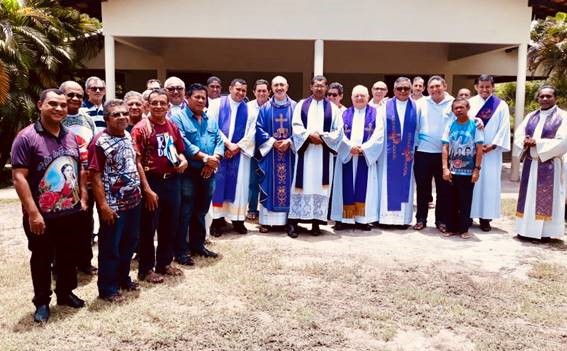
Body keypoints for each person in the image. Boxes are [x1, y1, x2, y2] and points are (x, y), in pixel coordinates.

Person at [11, 89, 88, 323]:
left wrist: (83, 197)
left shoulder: (70, 136)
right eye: (53, 104)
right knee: (42, 257)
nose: (59, 108)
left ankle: (65, 293)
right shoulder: (27, 137)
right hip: (42, 214)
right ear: (40, 105)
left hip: (70, 212)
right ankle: (42, 302)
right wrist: (33, 213)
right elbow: (19, 177)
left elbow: (80, 169)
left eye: (63, 105)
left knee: (68, 254)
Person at [131, 89, 188, 283]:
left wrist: (184, 161)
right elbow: (136, 161)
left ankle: (164, 263)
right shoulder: (141, 128)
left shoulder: (171, 126)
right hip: (151, 181)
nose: (158, 106)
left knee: (169, 224)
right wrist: (146, 189)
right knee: (148, 227)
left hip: (171, 181)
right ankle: (146, 269)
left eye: (162, 103)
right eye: (154, 103)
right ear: (147, 105)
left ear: (168, 106)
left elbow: (180, 150)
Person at [89, 99, 142, 302]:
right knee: (111, 247)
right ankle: (108, 288)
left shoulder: (128, 136)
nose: (122, 117)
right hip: (113, 206)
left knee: (129, 243)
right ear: (106, 119)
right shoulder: (99, 141)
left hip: (133, 202)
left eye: (124, 114)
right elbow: (95, 175)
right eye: (116, 115)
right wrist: (103, 205)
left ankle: (122, 278)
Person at [170, 83, 224, 263]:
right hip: (189, 172)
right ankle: (181, 250)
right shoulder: (178, 118)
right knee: (185, 211)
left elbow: (218, 139)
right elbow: (183, 142)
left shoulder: (211, 119)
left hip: (208, 172)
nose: (201, 100)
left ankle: (197, 245)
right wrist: (204, 159)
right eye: (197, 97)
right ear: (187, 98)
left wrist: (213, 160)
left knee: (201, 210)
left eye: (203, 97)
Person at [287, 75, 342, 237]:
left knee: (320, 187)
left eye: (322, 86)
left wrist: (322, 137)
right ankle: (293, 223)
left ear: (326, 88)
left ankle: (316, 223)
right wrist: (309, 135)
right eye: (316, 85)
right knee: (300, 186)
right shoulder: (301, 105)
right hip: (306, 153)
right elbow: (296, 126)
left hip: (323, 153)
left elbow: (338, 131)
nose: (319, 88)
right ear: (311, 87)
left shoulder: (333, 108)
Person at [515, 85, 567, 240]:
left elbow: (563, 141)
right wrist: (524, 141)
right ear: (538, 98)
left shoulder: (563, 116)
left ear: (555, 98)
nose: (544, 99)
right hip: (531, 164)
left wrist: (537, 143)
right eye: (542, 96)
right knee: (529, 197)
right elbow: (519, 134)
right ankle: (525, 230)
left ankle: (545, 233)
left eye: (548, 96)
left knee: (546, 199)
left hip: (549, 163)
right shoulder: (531, 115)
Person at [331, 85, 383, 230]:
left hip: (365, 158)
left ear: (368, 97)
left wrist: (364, 149)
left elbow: (379, 135)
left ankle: (362, 219)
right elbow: (338, 133)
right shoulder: (343, 114)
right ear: (351, 98)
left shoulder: (376, 114)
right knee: (342, 187)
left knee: (366, 188)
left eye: (362, 96)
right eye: (356, 96)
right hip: (347, 158)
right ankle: (342, 219)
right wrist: (349, 148)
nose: (359, 98)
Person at [207, 78, 256, 235]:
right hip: (220, 152)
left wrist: (237, 147)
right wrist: (227, 145)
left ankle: (238, 220)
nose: (241, 93)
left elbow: (252, 133)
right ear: (230, 88)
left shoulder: (250, 110)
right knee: (218, 185)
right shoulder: (216, 104)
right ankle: (216, 220)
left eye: (243, 90)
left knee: (240, 186)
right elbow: (213, 126)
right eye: (238, 89)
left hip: (240, 155)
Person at [60, 80, 97, 275]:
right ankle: (61, 265)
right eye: (70, 94)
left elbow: (91, 147)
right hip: (62, 183)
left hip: (87, 182)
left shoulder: (87, 119)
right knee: (63, 226)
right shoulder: (55, 118)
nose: (75, 98)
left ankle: (84, 262)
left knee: (85, 223)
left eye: (79, 95)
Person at [469, 75, 511, 231]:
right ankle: (468, 215)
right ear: (476, 87)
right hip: (472, 151)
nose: (484, 89)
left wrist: (492, 146)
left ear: (493, 87)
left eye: (488, 86)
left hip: (491, 153)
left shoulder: (501, 105)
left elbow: (504, 128)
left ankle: (485, 218)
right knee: (471, 184)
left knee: (489, 184)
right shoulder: (470, 103)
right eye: (481, 86)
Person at [255, 76, 296, 233]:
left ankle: (288, 221)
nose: (279, 88)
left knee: (289, 185)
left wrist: (289, 142)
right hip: (271, 153)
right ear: (271, 88)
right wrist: (273, 142)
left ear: (287, 87)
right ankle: (266, 221)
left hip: (289, 155)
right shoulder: (265, 108)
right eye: (276, 85)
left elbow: (300, 130)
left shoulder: (295, 107)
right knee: (269, 183)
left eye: (282, 85)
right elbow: (258, 129)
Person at [377, 77, 419, 228]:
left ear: (410, 90)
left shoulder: (416, 107)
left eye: (406, 89)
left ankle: (402, 220)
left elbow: (419, 130)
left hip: (407, 155)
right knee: (386, 184)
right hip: (387, 156)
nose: (402, 91)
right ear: (394, 90)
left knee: (405, 184)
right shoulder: (383, 107)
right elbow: (379, 130)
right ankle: (386, 219)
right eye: (399, 88)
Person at [413, 75, 453, 232]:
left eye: (438, 86)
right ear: (427, 89)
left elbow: (466, 117)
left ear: (445, 86)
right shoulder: (420, 103)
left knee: (443, 189)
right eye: (431, 87)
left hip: (444, 154)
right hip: (423, 152)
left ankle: (441, 221)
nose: (435, 89)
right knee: (422, 188)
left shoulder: (452, 103)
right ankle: (421, 219)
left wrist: (478, 121)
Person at [441, 97, 484, 239]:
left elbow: (479, 149)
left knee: (465, 201)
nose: (458, 110)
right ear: (452, 110)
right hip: (452, 171)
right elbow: (445, 147)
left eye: (461, 107)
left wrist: (477, 169)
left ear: (468, 108)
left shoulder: (475, 126)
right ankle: (451, 228)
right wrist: (445, 168)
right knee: (450, 201)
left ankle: (464, 229)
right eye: (456, 108)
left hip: (468, 171)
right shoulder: (450, 126)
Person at [247, 79, 270, 221]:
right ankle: (252, 208)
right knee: (253, 180)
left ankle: (266, 209)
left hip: (269, 149)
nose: (261, 93)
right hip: (252, 149)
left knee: (268, 180)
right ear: (254, 92)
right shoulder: (248, 107)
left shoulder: (272, 106)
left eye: (264, 90)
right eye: (259, 90)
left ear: (269, 92)